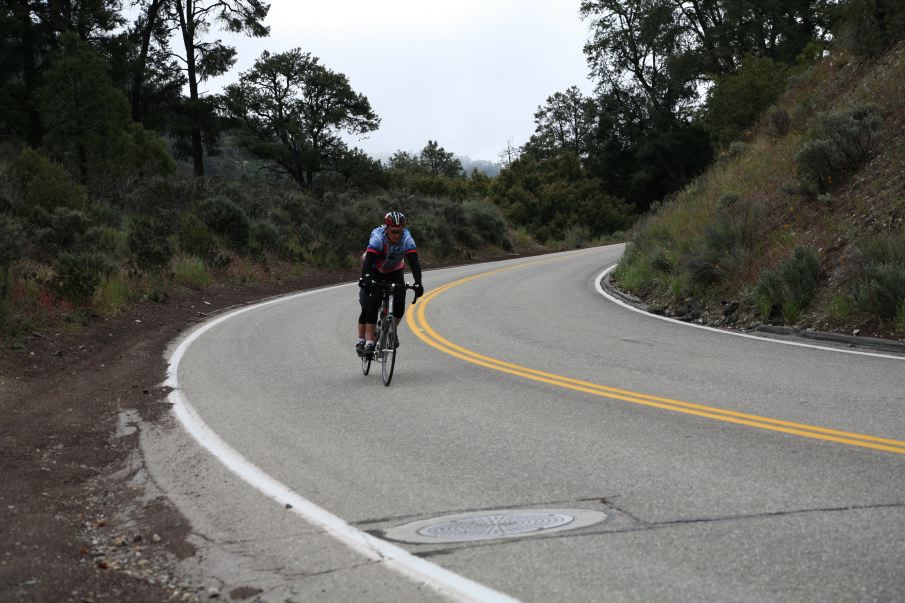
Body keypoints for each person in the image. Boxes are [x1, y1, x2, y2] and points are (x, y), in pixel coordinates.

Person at [357, 211, 424, 357]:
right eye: (393, 232)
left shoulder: (407, 238)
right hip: (374, 268)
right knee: (373, 300)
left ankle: (391, 330)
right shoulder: (378, 236)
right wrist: (367, 278)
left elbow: (414, 262)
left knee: (400, 301)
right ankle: (368, 342)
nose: (397, 236)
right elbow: (368, 261)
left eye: (399, 232)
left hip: (394, 270)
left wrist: (418, 282)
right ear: (386, 229)